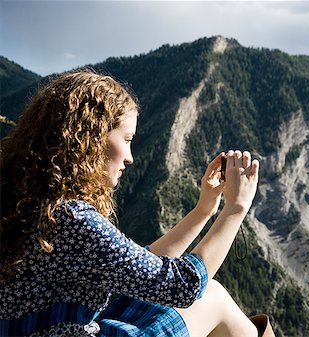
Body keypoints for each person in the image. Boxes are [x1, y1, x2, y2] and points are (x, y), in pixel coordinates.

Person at [0, 70, 275, 337]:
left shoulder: (34, 204)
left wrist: (204, 210)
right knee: (212, 297)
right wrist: (236, 209)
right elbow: (183, 286)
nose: (131, 157)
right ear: (91, 138)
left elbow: (139, 268)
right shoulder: (71, 220)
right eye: (127, 139)